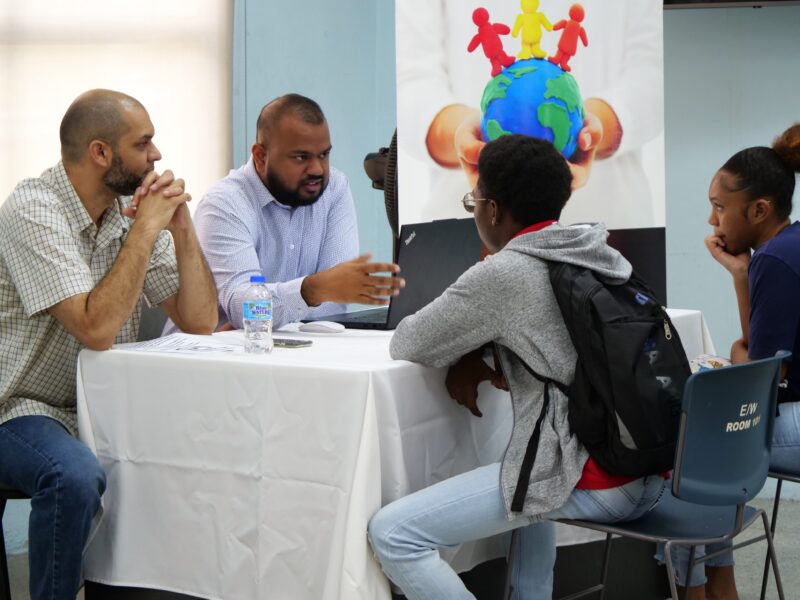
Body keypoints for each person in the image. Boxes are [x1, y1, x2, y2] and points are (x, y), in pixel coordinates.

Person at [367, 134, 665, 599]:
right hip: (650, 468)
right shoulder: (598, 250)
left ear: (492, 210)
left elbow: (408, 341)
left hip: (589, 477)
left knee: (394, 534)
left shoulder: (504, 273)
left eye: (473, 202)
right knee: (525, 469)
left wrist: (472, 339)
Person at [0, 89, 217, 600]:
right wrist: (144, 230)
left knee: (194, 454)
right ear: (101, 153)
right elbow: (95, 328)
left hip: (103, 408)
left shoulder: (126, 212)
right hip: (19, 408)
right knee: (72, 476)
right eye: (143, 144)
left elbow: (200, 321)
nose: (156, 155)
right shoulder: (33, 209)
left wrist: (181, 229)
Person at [661, 124, 800, 600]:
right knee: (707, 445)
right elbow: (759, 356)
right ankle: (718, 586)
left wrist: (742, 354)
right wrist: (740, 275)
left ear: (759, 210)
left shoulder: (775, 259)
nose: (711, 220)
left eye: (719, 207)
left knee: (688, 446)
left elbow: (761, 369)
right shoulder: (784, 248)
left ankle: (695, 588)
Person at [396, 0, 663, 227]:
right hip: (470, 232)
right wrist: (466, 136)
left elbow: (654, 69)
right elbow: (412, 80)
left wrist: (593, 130)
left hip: (610, 226)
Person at [188, 93, 403, 331]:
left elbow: (334, 300)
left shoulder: (334, 188)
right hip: (217, 352)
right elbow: (244, 309)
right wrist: (311, 290)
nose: (317, 169)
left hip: (297, 347)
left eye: (324, 155)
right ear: (260, 156)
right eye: (301, 157)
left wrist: (310, 295)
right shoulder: (224, 204)